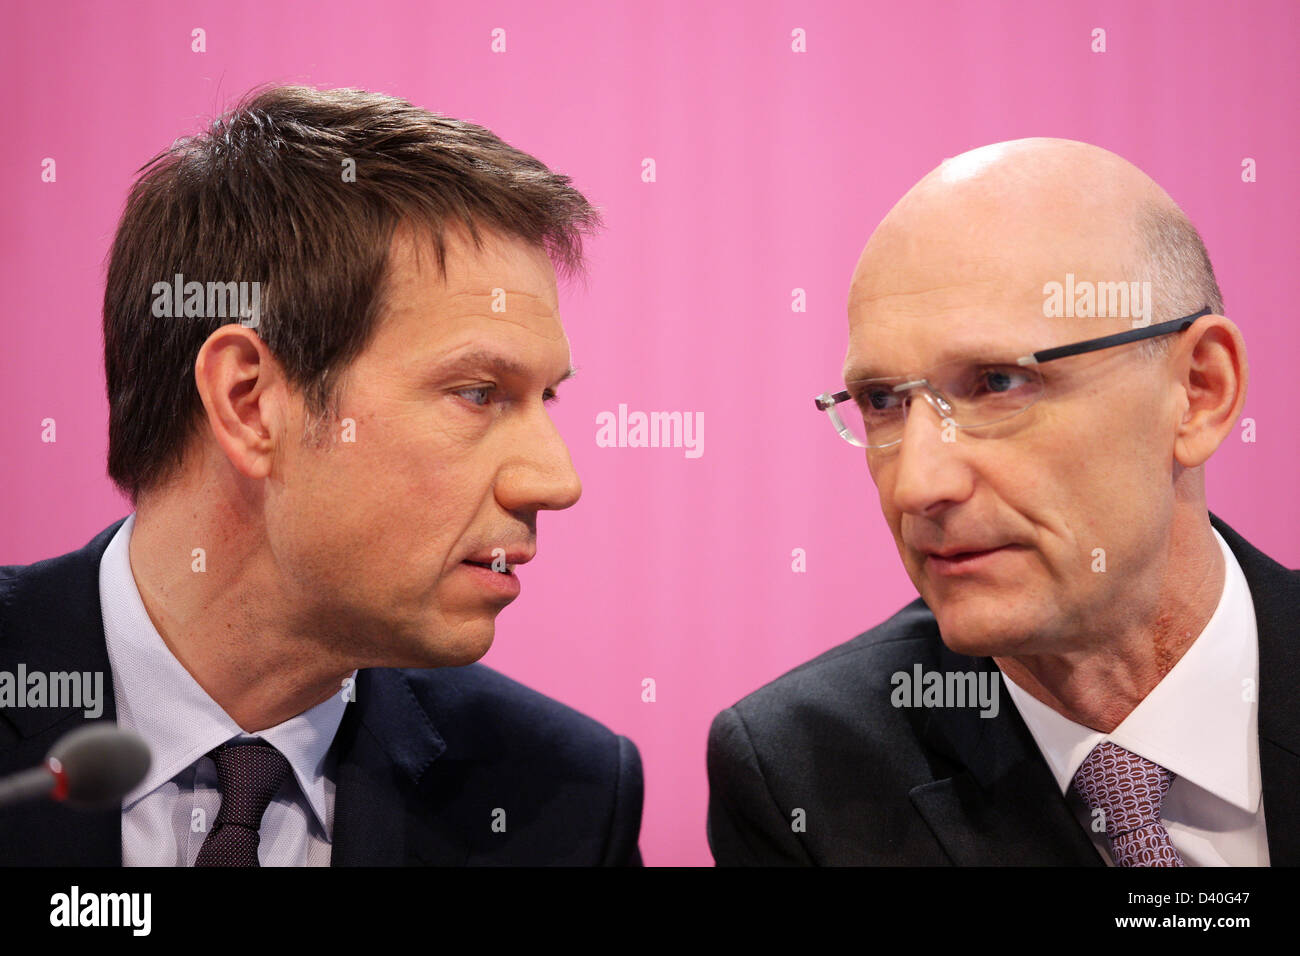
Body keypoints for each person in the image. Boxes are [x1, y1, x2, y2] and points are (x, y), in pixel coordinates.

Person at [0, 85, 643, 866]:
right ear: (249, 403)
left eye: (546, 398)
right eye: (479, 393)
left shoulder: (560, 799)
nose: (556, 480)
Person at [707, 138, 1298, 866]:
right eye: (882, 402)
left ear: (1198, 391)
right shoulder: (806, 772)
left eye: (996, 383)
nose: (920, 485)